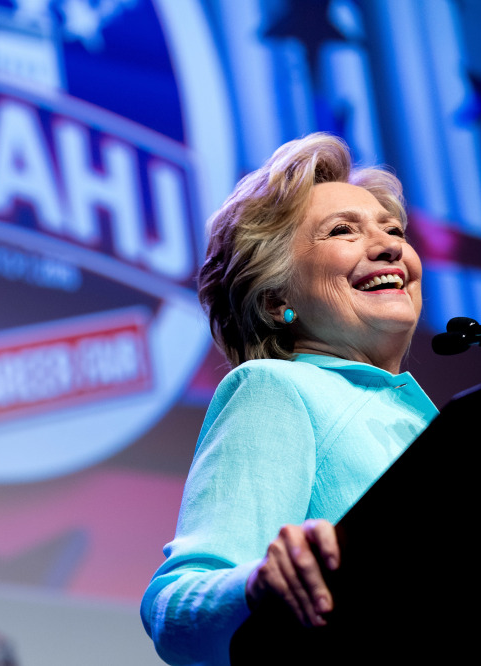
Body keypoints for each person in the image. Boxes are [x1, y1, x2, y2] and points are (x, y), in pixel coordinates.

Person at [140, 133, 438, 666]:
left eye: (393, 230)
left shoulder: (422, 418)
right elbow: (174, 606)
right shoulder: (275, 389)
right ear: (279, 300)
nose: (390, 245)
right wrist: (258, 585)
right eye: (343, 231)